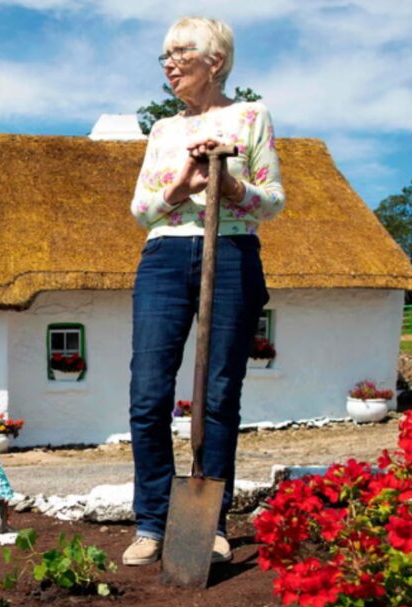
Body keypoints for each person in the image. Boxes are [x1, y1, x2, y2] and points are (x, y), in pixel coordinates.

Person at [124, 16, 285, 566]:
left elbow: (273, 201)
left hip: (232, 252)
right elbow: (141, 210)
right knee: (148, 394)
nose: (168, 64)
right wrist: (184, 184)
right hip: (165, 257)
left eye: (180, 53)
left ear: (214, 61)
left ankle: (210, 523)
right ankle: (151, 522)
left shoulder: (250, 116)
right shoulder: (163, 131)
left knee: (218, 395)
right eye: (164, 56)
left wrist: (229, 182)